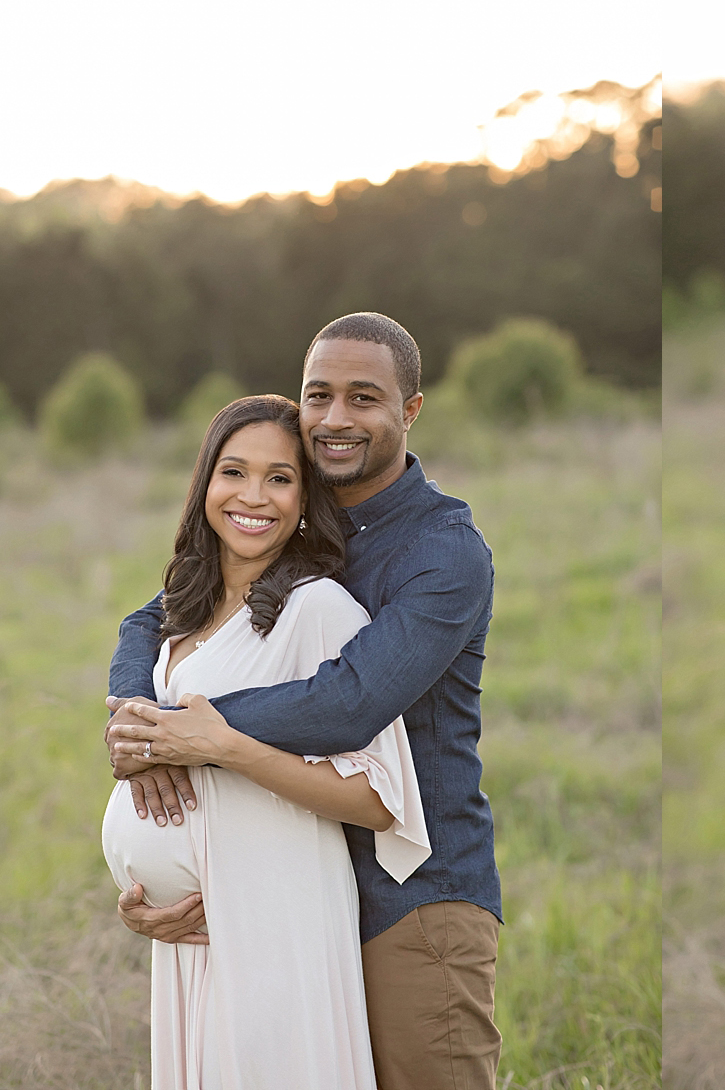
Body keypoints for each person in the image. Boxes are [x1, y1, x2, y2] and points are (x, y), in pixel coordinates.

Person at [105, 312, 501, 1090]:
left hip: (408, 895)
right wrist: (129, 710)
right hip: (279, 887)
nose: (335, 418)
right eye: (318, 395)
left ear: (410, 409)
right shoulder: (291, 518)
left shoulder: (443, 550)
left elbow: (347, 703)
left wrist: (178, 733)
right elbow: (156, 615)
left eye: (364, 397)